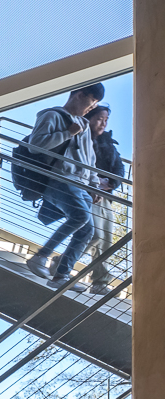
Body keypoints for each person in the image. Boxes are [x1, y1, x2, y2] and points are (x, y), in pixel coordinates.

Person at [23, 84, 106, 291]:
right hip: (58, 178)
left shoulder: (84, 125)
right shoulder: (52, 115)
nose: (92, 107)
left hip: (81, 184)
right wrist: (68, 133)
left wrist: (94, 185)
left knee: (87, 230)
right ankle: (41, 256)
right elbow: (35, 146)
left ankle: (61, 275)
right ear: (79, 95)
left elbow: (90, 160)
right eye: (92, 101)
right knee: (80, 218)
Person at [82, 104, 126, 297]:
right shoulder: (81, 137)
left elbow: (119, 169)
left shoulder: (109, 143)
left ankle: (100, 282)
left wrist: (110, 182)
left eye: (105, 120)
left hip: (106, 196)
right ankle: (61, 264)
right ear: (89, 118)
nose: (103, 123)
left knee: (106, 240)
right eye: (99, 118)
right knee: (95, 235)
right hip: (86, 193)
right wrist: (94, 182)